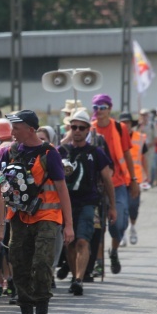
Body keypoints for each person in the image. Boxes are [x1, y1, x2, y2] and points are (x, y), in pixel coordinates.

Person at [0, 110, 74, 314]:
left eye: (16, 128)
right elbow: (1, 181)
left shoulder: (50, 153)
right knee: (19, 265)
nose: (12, 132)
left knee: (42, 264)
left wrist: (68, 225)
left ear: (30, 129)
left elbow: (62, 189)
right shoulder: (10, 151)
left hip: (47, 218)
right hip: (18, 218)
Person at [58, 110, 115, 295]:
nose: (77, 131)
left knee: (83, 241)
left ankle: (79, 279)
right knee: (69, 243)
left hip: (89, 202)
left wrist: (112, 206)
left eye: (81, 128)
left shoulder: (95, 152)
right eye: (74, 127)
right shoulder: (62, 151)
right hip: (66, 204)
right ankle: (75, 277)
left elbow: (107, 179)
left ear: (87, 130)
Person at [89, 94, 139, 274]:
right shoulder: (89, 129)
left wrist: (133, 180)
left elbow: (126, 155)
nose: (99, 111)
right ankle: (99, 262)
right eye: (96, 107)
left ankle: (115, 251)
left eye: (102, 107)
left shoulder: (120, 127)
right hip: (96, 184)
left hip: (118, 182)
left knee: (118, 224)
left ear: (109, 109)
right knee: (98, 225)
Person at [119, 112, 148, 246]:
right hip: (120, 177)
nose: (126, 125)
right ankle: (122, 234)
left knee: (133, 207)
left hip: (136, 178)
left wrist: (147, 175)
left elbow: (144, 158)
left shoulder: (140, 137)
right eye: (123, 123)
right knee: (122, 207)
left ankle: (133, 228)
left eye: (128, 123)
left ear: (132, 124)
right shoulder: (116, 137)